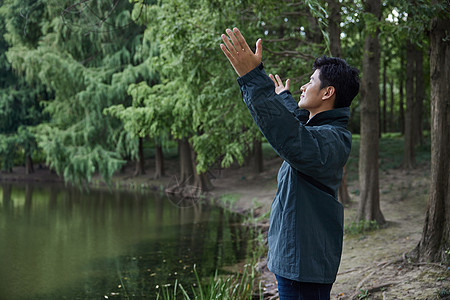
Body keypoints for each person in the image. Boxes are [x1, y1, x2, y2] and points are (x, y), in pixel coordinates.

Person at [220, 28, 360, 300]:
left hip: (303, 267)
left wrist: (252, 78)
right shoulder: (322, 132)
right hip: (297, 262)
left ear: (327, 92)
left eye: (310, 81)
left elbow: (291, 138)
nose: (303, 86)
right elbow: (298, 129)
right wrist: (284, 98)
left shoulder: (332, 140)